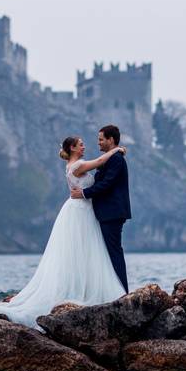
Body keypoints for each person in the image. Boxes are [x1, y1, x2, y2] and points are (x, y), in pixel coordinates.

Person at [0, 134, 128, 328]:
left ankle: (82, 288)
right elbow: (100, 161)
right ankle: (89, 291)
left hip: (81, 209)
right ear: (72, 148)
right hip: (81, 210)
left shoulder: (73, 165)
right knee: (87, 250)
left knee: (84, 251)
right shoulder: (78, 165)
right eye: (80, 145)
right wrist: (117, 149)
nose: (84, 146)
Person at [70, 125, 131, 293]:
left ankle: (122, 291)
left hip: (112, 212)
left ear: (111, 140)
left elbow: (107, 184)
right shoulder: (110, 158)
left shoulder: (116, 159)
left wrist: (84, 193)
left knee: (113, 252)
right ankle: (114, 291)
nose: (98, 143)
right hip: (107, 212)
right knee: (108, 252)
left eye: (101, 139)